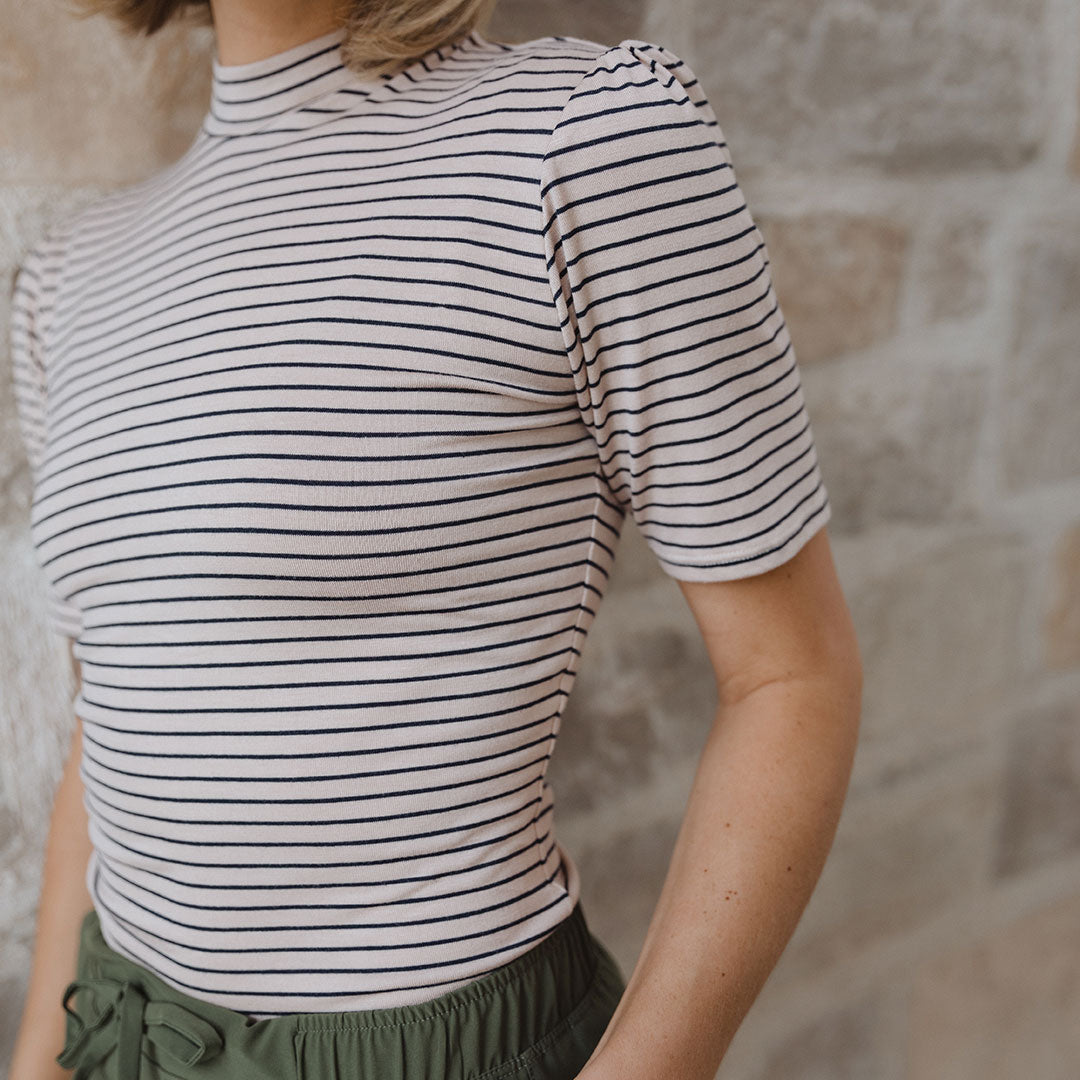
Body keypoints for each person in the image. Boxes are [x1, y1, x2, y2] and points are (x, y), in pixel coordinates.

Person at [7, 0, 863, 1077]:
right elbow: (109, 723)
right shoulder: (69, 275)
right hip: (123, 1029)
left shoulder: (584, 142)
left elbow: (790, 674)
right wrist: (38, 1057)